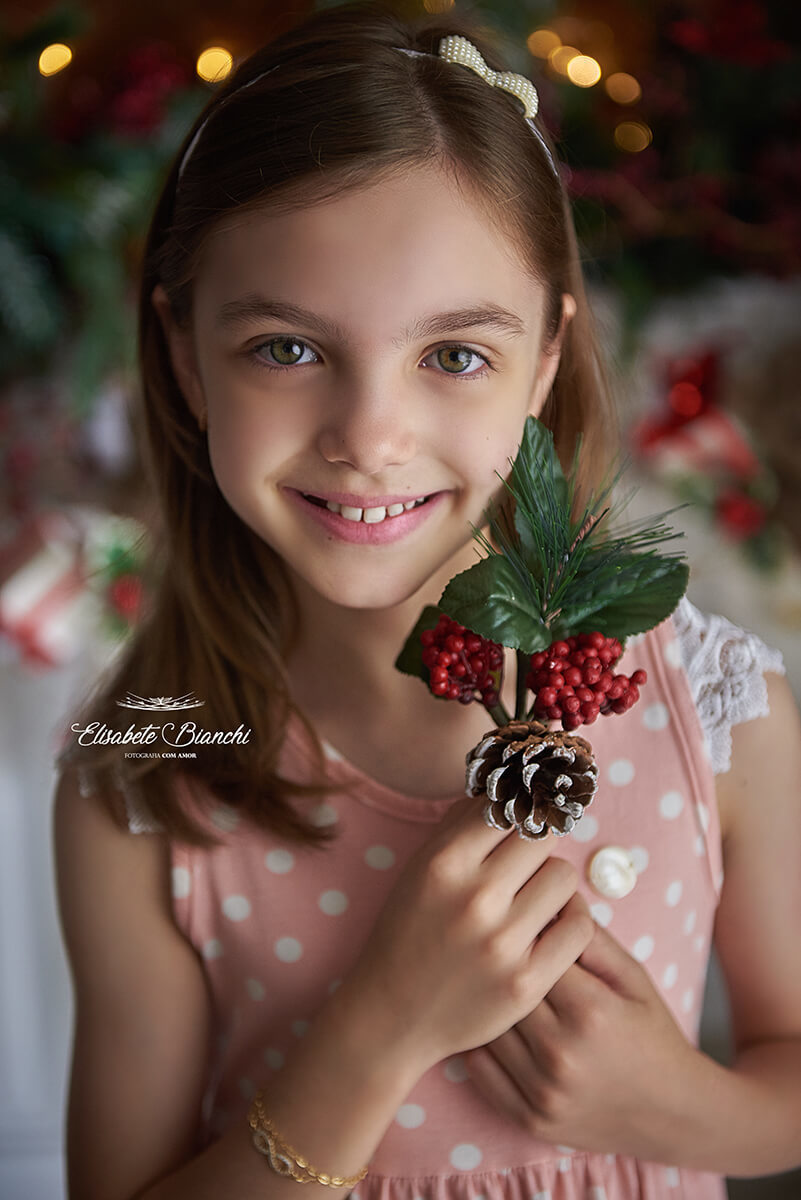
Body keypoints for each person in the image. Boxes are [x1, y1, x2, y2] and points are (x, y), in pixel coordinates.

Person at [52, 3, 801, 1199]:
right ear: (187, 357)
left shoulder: (717, 712)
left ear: (544, 363)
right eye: (286, 349)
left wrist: (682, 1108)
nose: (370, 439)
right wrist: (381, 1028)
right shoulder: (142, 764)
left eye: (454, 356)